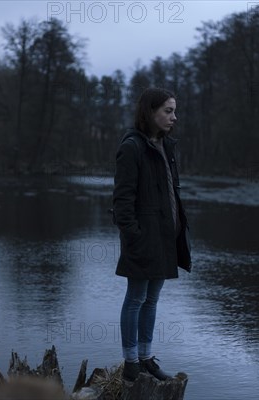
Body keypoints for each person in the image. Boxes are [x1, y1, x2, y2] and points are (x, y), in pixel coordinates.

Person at [112, 87, 192, 382]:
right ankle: (130, 362)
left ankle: (146, 358)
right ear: (150, 112)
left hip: (165, 238)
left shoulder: (166, 146)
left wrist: (177, 230)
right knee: (135, 298)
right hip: (143, 238)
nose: (174, 117)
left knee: (152, 300)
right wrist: (134, 236)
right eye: (168, 111)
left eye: (174, 110)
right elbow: (121, 201)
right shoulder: (132, 147)